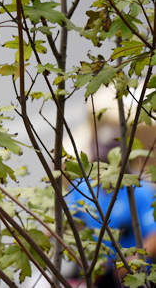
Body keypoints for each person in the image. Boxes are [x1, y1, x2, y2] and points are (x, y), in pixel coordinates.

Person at [65, 86, 156, 287]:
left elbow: (154, 233)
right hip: (98, 268)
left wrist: (132, 263)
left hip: (131, 273)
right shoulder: (84, 186)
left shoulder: (140, 191)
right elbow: (65, 215)